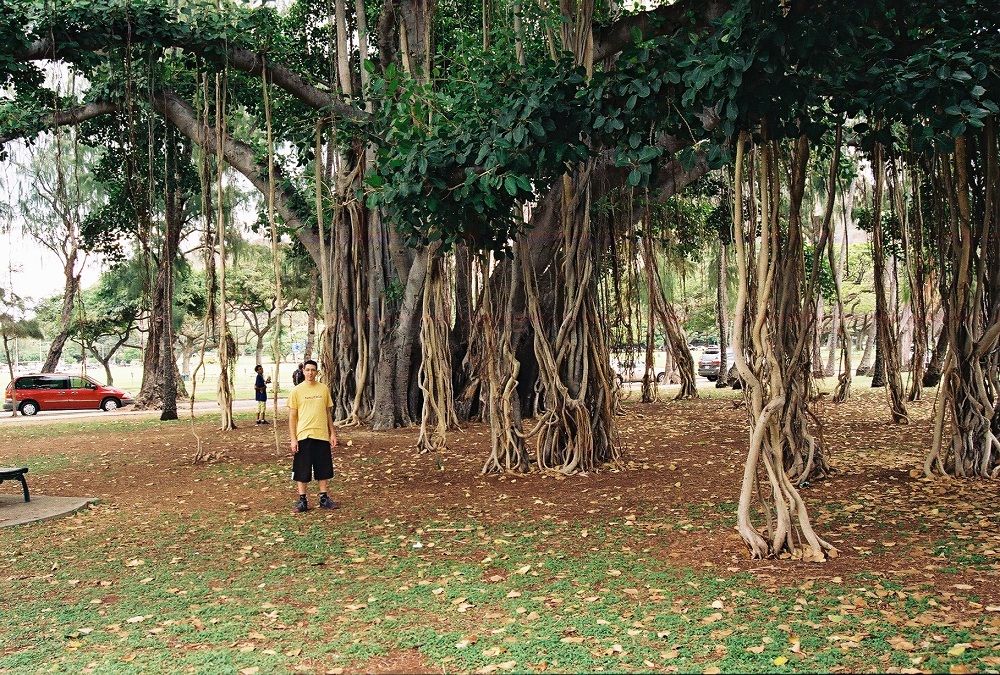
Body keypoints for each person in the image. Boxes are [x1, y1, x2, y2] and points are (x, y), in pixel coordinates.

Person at [287, 359, 338, 512]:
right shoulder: (296, 391)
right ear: (303, 371)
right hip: (303, 435)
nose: (310, 373)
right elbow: (292, 417)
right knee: (302, 469)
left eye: (313, 370)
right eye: (307, 370)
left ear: (317, 372)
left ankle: (324, 498)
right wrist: (293, 438)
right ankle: (302, 500)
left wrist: (332, 433)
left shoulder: (323, 389)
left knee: (323, 468)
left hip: (321, 435)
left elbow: (328, 412)